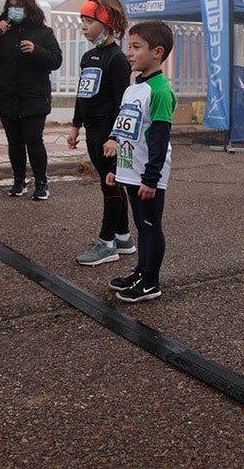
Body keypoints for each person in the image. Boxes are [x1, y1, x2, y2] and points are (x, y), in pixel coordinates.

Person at [103, 20, 177, 303]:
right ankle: (141, 271)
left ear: (157, 51)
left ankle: (151, 282)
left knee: (149, 226)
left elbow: (159, 139)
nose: (129, 53)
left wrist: (151, 178)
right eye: (128, 47)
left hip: (147, 175)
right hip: (130, 170)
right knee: (140, 223)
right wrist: (115, 169)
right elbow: (122, 132)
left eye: (136, 47)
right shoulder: (132, 88)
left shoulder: (159, 90)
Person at [68, 0, 137, 266]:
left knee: (111, 183)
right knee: (110, 182)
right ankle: (123, 237)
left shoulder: (118, 59)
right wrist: (75, 125)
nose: (84, 27)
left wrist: (115, 137)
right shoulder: (88, 57)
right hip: (92, 130)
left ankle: (106, 243)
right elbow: (82, 94)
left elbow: (124, 101)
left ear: (107, 24)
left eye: (89, 21)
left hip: (108, 133)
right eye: (82, 21)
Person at [0, 0, 63, 200]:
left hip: (33, 97)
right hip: (7, 96)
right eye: (11, 6)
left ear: (29, 8)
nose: (14, 10)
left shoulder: (43, 33)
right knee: (14, 141)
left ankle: (41, 183)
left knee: (33, 139)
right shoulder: (3, 30)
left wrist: (36, 50)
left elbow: (56, 59)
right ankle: (18, 181)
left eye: (19, 6)